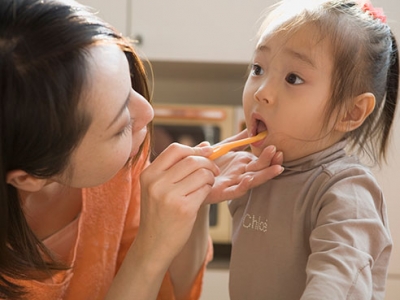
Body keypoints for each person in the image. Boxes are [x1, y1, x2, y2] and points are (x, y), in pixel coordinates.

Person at [0, 0, 285, 299]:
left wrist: (193, 201)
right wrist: (152, 246)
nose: (147, 113)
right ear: (27, 178)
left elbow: (176, 290)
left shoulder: (121, 165)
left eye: (131, 87)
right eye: (119, 125)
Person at [228, 0, 398, 299]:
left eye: (293, 78)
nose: (261, 92)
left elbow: (336, 284)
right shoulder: (253, 174)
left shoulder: (346, 192)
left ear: (351, 112)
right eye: (258, 68)